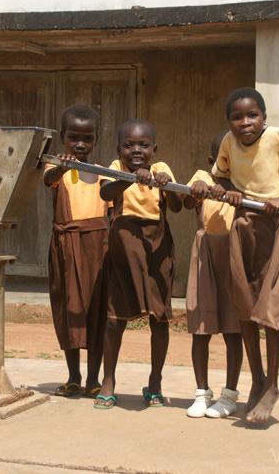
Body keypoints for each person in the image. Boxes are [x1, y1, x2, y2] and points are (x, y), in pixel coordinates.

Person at [210, 87, 279, 422]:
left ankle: (273, 383)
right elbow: (222, 177)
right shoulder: (229, 142)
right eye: (237, 117)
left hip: (275, 227)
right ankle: (256, 379)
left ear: (264, 117)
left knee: (270, 308)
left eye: (252, 115)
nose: (245, 123)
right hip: (244, 226)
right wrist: (229, 193)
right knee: (245, 305)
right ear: (229, 121)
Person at [94, 119, 183, 409]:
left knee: (160, 317)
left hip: (156, 248)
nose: (136, 150)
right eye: (128, 145)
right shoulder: (115, 169)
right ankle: (108, 381)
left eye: (143, 145)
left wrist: (165, 186)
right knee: (114, 317)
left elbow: (177, 206)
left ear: (154, 149)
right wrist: (131, 178)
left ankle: (155, 382)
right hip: (123, 249)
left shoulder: (162, 170)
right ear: (118, 148)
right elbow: (106, 193)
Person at [43, 104, 109, 399]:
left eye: (87, 138)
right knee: (69, 309)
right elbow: (48, 178)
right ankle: (73, 376)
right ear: (63, 137)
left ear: (96, 139)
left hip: (98, 249)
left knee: (96, 311)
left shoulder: (104, 173)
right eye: (74, 137)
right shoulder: (56, 167)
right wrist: (63, 165)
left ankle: (94, 379)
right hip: (67, 247)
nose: (80, 144)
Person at [183, 131, 243, 418]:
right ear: (212, 160)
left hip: (234, 258)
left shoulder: (245, 184)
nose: (227, 163)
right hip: (205, 256)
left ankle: (229, 395)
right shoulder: (202, 178)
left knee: (234, 329)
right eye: (222, 158)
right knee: (201, 328)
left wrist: (234, 195)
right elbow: (185, 202)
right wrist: (197, 189)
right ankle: (201, 393)